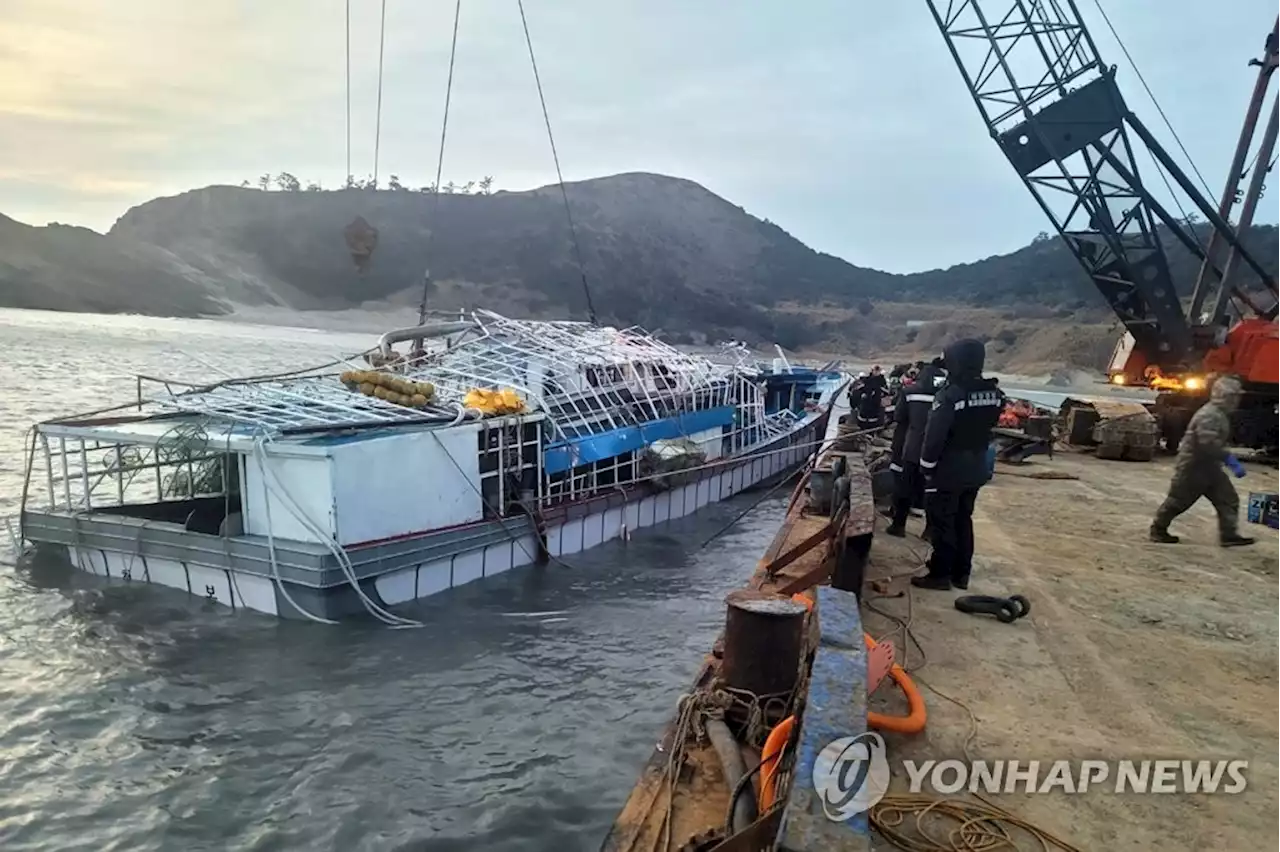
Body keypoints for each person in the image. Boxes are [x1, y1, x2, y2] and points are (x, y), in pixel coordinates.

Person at [913, 340, 1005, 591]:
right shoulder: (994, 394)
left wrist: (926, 466)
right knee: (964, 519)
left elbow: (935, 435)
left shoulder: (951, 394)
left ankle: (940, 574)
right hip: (977, 465)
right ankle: (961, 574)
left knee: (942, 520)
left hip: (949, 467)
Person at [1150, 376, 1255, 547]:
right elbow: (1208, 443)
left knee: (1228, 499)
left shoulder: (1218, 414)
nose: (1237, 400)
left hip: (1209, 468)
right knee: (1178, 501)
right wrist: (1229, 459)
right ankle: (1158, 529)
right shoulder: (1210, 415)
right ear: (1225, 396)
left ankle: (1229, 535)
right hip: (1194, 467)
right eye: (1234, 397)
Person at [886, 356, 947, 537]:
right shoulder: (946, 394)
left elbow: (899, 416)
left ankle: (898, 525)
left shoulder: (910, 391)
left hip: (912, 447)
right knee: (933, 490)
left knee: (905, 486)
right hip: (938, 450)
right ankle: (929, 530)